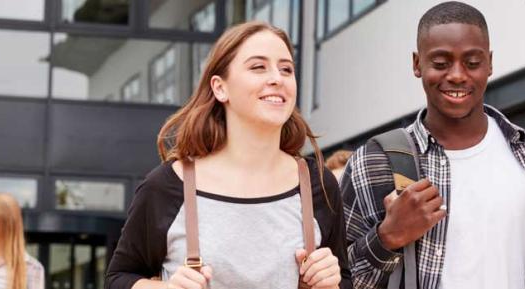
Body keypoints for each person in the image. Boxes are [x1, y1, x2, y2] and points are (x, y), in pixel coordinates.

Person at [341, 2, 525, 289]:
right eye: (441, 63)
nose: (458, 75)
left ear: (490, 64)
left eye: (472, 63)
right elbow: (337, 280)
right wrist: (387, 237)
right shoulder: (372, 162)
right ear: (416, 64)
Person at [105, 21, 350, 289]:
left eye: (286, 69)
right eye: (258, 67)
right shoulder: (166, 186)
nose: (277, 78)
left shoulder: (317, 184)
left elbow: (344, 281)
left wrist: (331, 283)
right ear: (220, 88)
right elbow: (118, 279)